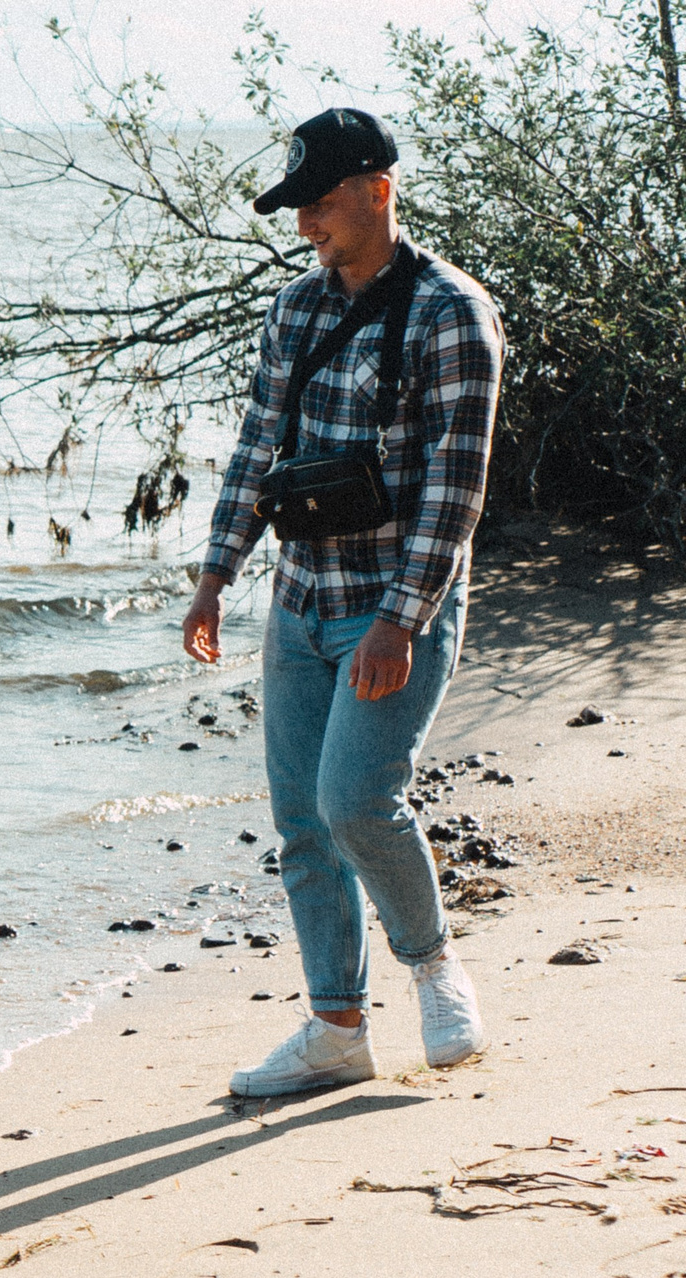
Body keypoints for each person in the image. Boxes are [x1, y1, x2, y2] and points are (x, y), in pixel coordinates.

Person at [182, 107, 505, 1097]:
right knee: (301, 826)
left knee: (356, 800)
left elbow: (455, 491)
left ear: (377, 188)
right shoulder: (295, 311)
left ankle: (434, 968)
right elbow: (253, 449)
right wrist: (214, 573)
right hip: (299, 603)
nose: (306, 224)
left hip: (393, 607)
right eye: (297, 208)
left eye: (320, 203)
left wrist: (400, 621)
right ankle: (335, 1029)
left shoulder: (449, 313)